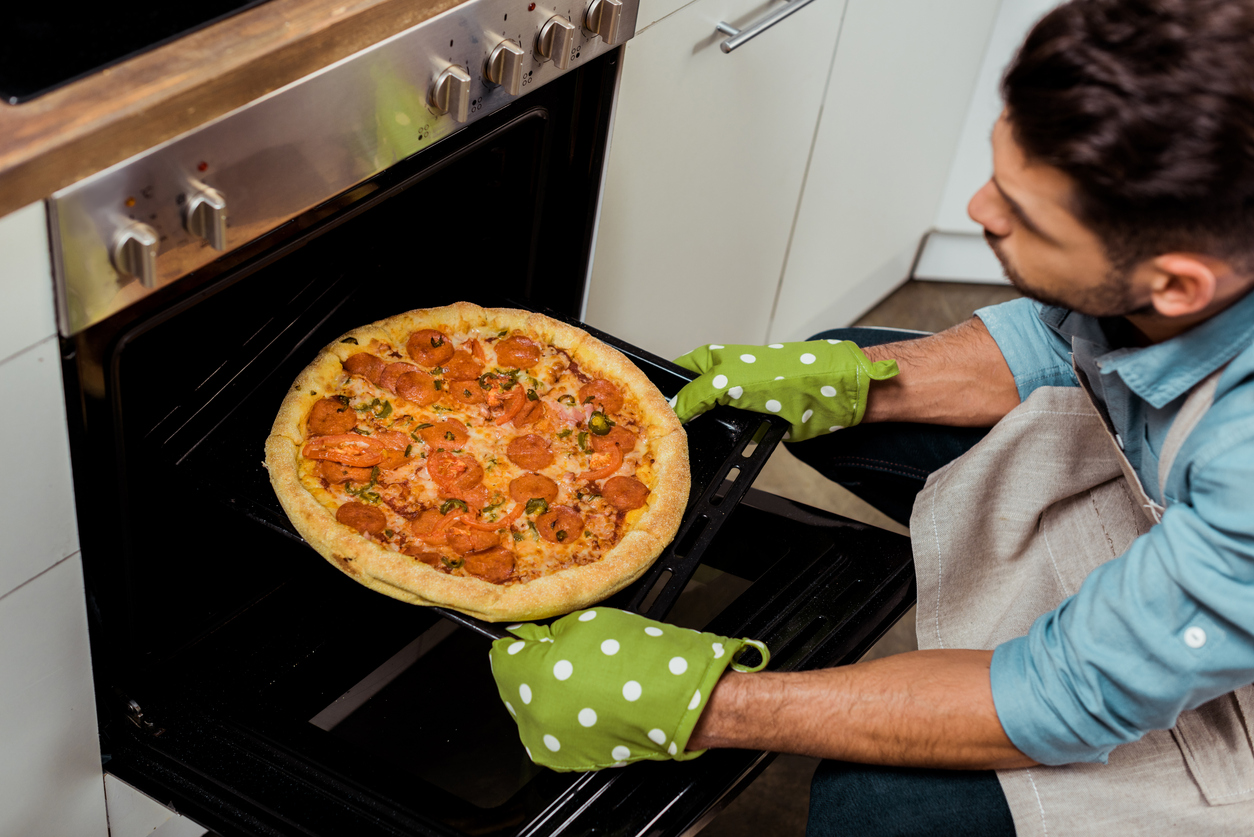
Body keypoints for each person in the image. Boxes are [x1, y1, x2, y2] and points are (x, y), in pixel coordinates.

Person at [490, 1, 1254, 833]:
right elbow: (1062, 330)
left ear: (1179, 283)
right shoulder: (1195, 227)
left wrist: (694, 703)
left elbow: (1062, 697)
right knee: (854, 367)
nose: (979, 209)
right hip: (1191, 528)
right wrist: (851, 377)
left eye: (1026, 216)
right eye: (999, 169)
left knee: (875, 807)